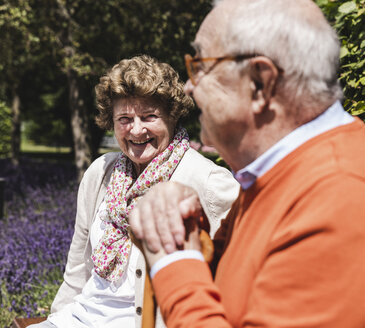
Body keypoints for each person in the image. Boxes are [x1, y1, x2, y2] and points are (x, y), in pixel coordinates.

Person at [130, 0, 365, 327]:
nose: (189, 86)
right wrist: (187, 225)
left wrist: (173, 259)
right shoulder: (283, 171)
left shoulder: (340, 198)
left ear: (259, 82)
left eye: (200, 67)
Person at [28, 55, 239, 328]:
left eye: (149, 116)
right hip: (77, 319)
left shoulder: (208, 181)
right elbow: (77, 271)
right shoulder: (100, 173)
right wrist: (52, 321)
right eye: (124, 119)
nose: (136, 130)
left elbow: (245, 267)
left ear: (172, 116)